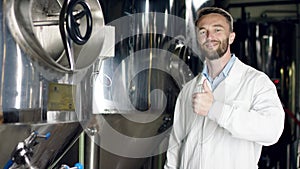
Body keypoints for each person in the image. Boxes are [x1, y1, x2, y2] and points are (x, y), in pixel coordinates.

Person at [164, 7, 285, 169]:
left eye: (217, 30)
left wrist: (215, 109)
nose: (209, 37)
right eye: (203, 32)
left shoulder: (256, 82)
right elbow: (175, 145)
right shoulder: (189, 89)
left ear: (231, 37)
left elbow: (272, 131)